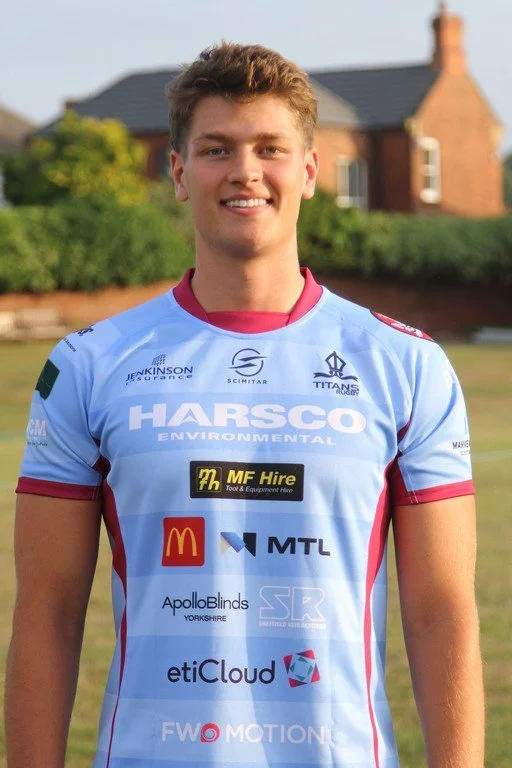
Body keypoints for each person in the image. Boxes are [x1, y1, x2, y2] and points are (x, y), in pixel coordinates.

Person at [5, 43, 484, 768]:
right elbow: (46, 613)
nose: (245, 171)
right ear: (178, 172)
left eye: (270, 148)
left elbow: (443, 612)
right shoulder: (88, 365)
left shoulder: (406, 366)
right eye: (216, 149)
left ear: (311, 171)